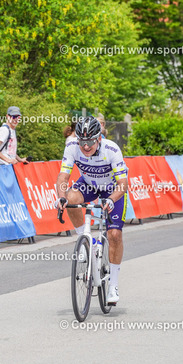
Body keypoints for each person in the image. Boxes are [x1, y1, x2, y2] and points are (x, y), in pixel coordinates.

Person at [55, 117, 128, 305]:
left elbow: (123, 184)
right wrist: (61, 197)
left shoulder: (112, 149)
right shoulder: (72, 147)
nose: (86, 146)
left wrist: (111, 199)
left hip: (112, 188)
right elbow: (63, 176)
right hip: (89, 185)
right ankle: (86, 242)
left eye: (90, 142)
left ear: (99, 138)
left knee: (114, 235)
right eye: (82, 141)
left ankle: (113, 285)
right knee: (70, 199)